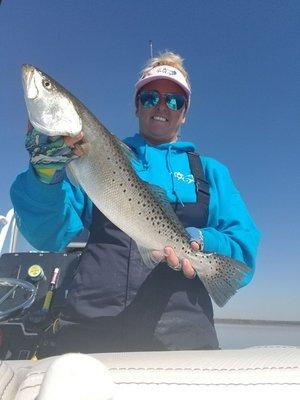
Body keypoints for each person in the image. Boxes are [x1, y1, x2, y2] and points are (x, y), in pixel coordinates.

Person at [11, 51, 260, 354]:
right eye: (151, 96)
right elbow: (47, 234)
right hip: (89, 329)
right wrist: (45, 176)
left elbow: (243, 258)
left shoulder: (209, 172)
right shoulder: (88, 155)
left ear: (184, 112)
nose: (161, 106)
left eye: (174, 100)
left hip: (182, 338)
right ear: (137, 104)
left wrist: (201, 240)